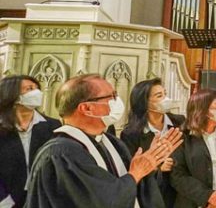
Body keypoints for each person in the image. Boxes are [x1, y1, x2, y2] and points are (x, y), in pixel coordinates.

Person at [25, 73, 183, 208]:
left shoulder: (112, 142)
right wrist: (137, 172)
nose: (117, 101)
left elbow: (136, 188)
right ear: (87, 108)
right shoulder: (61, 154)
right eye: (111, 96)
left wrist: (150, 165)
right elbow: (99, 200)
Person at [171, 89, 216, 208]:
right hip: (193, 202)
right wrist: (208, 196)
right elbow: (177, 175)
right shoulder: (183, 136)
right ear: (204, 110)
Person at [120, 78, 186, 207]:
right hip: (151, 195)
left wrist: (175, 163)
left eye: (165, 94)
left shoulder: (180, 122)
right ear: (145, 102)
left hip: (180, 193)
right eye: (159, 96)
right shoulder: (130, 134)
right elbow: (131, 170)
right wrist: (158, 168)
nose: (166, 99)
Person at [0, 75, 61, 207]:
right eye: (29, 89)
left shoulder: (52, 125)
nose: (37, 93)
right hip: (6, 199)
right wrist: (4, 202)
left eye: (37, 88)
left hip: (42, 198)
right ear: (12, 94)